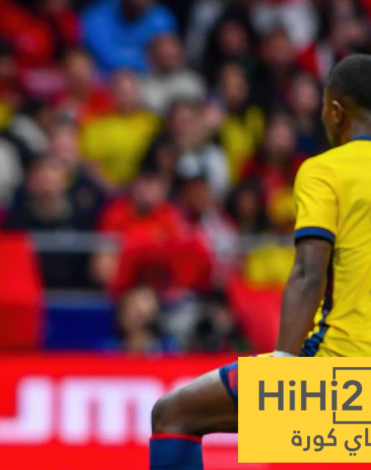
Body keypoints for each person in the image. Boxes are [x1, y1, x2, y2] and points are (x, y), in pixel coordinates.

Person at [149, 54, 371, 470]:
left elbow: (308, 273)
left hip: (342, 372)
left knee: (173, 414)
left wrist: (283, 368)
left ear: (337, 111)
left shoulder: (325, 170)